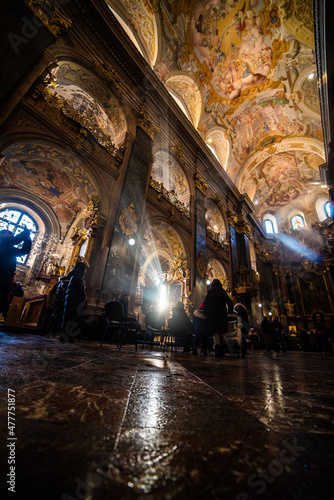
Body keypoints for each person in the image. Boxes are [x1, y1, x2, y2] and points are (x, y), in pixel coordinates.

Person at [0, 227, 31, 317]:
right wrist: (25, 233)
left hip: (6, 278)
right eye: (8, 232)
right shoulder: (3, 242)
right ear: (2, 235)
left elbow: (24, 250)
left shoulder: (9, 247)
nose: (11, 234)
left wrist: (27, 237)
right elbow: (17, 240)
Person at [203, 279, 233, 357]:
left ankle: (217, 350)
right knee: (221, 333)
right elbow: (229, 302)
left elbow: (205, 304)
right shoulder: (223, 292)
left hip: (212, 316)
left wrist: (206, 313)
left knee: (215, 333)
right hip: (222, 315)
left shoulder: (210, 292)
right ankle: (221, 350)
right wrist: (230, 312)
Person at [61, 261, 87, 342]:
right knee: (73, 319)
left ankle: (64, 337)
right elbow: (81, 289)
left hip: (70, 300)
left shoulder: (73, 276)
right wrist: (84, 297)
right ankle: (69, 337)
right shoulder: (78, 277)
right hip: (75, 301)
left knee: (67, 318)